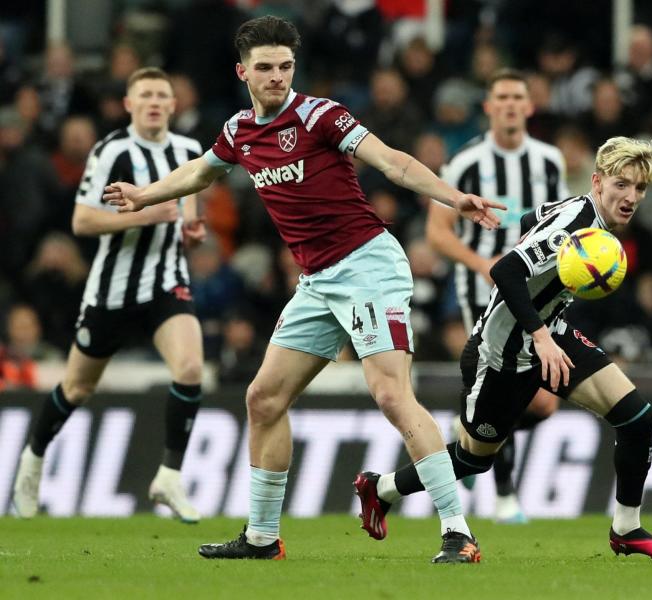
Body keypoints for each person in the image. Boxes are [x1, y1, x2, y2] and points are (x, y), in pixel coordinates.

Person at [104, 16, 504, 563]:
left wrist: (450, 197)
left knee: (390, 394)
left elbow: (392, 161)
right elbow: (200, 171)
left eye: (285, 66)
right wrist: (146, 196)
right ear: (242, 70)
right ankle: (263, 538)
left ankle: (457, 532)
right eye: (265, 67)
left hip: (367, 264)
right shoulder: (239, 130)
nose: (276, 77)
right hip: (318, 281)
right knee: (264, 399)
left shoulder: (320, 115)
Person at [355, 136, 652, 562]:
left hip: (550, 333)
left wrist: (547, 323)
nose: (631, 197)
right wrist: (542, 335)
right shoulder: (575, 224)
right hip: (502, 354)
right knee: (474, 460)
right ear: (598, 182)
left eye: (639, 189)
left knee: (638, 419)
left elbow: (536, 215)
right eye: (622, 184)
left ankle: (627, 529)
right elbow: (505, 269)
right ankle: (379, 487)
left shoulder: (583, 216)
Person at [12, 67, 207, 523]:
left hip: (166, 282)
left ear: (174, 105)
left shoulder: (190, 151)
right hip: (113, 291)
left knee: (191, 367)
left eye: (163, 94)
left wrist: (193, 232)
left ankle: (169, 476)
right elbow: (82, 222)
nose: (155, 102)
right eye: (146, 95)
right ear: (129, 104)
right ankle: (32, 461)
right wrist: (145, 215)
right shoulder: (111, 151)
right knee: (78, 386)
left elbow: (187, 221)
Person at [425, 68, 569, 524]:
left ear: (530, 106)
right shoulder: (465, 163)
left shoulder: (549, 161)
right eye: (501, 97)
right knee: (499, 383)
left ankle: (462, 433)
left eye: (517, 97)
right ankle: (505, 496)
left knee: (543, 402)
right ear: (488, 107)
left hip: (539, 292)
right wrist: (483, 267)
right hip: (483, 291)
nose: (509, 104)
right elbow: (437, 233)